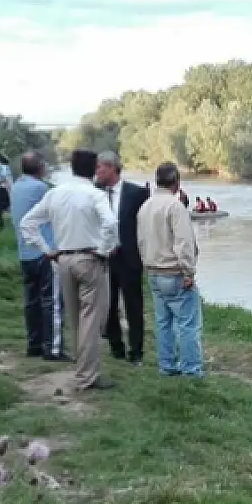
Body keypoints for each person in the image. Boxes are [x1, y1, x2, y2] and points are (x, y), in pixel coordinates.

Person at [20, 149, 118, 391]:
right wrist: (104, 249)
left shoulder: (55, 193)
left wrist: (46, 249)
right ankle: (87, 375)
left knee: (75, 318)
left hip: (63, 259)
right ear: (94, 168)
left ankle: (81, 367)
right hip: (89, 258)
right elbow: (111, 223)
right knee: (92, 319)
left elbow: (27, 223)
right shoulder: (95, 195)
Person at [137, 162, 203, 378]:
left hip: (153, 271)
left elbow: (140, 241)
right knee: (188, 324)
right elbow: (183, 243)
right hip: (174, 272)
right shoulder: (175, 207)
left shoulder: (145, 206)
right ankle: (191, 370)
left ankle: (167, 366)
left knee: (163, 323)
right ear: (176, 182)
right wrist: (188, 272)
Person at [11, 151, 70, 361]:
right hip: (44, 252)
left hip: (24, 252)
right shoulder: (41, 188)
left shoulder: (16, 186)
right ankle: (52, 348)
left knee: (31, 300)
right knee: (51, 301)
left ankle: (33, 343)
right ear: (39, 167)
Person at [94, 151, 151, 365]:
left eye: (99, 167)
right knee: (107, 304)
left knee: (133, 305)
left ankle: (136, 351)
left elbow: (145, 226)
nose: (97, 172)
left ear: (111, 168)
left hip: (129, 257)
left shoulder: (136, 193)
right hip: (103, 257)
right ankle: (115, 347)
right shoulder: (94, 193)